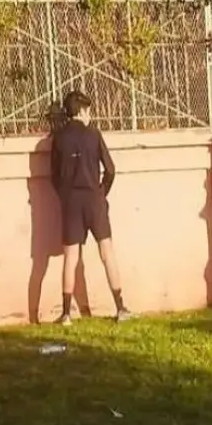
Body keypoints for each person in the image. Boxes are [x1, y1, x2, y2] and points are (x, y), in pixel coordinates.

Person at [50, 91, 134, 325]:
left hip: (71, 202)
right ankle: (120, 308)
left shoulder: (59, 138)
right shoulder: (93, 135)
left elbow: (54, 176)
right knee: (107, 252)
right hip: (93, 199)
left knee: (70, 257)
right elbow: (110, 170)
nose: (90, 115)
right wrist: (100, 193)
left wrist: (65, 196)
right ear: (82, 111)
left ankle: (66, 314)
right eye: (88, 110)